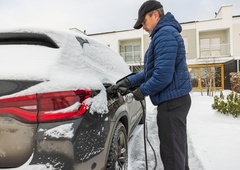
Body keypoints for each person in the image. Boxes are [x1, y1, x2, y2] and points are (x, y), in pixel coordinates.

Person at [108, 0, 192, 169]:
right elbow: (151, 72)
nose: (144, 27)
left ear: (155, 14)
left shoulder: (164, 34)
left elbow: (162, 77)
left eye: (144, 22)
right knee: (177, 151)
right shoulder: (165, 33)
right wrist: (128, 82)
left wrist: (141, 92)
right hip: (175, 100)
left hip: (172, 104)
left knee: (172, 155)